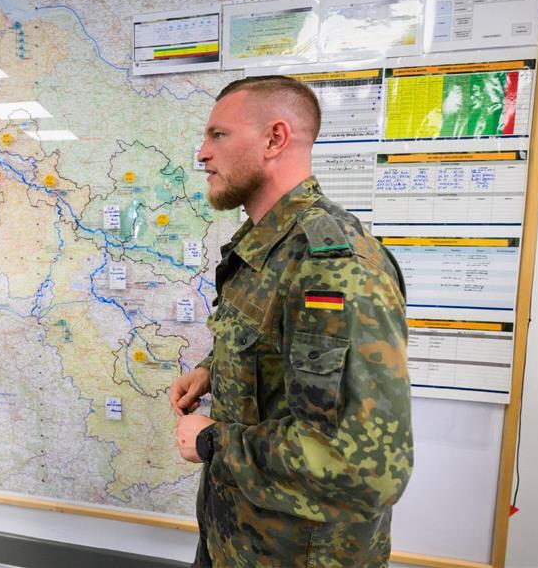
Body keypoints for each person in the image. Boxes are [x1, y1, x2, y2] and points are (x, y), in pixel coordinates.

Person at [170, 76, 412, 567]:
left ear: (274, 139)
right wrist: (212, 370)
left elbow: (365, 466)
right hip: (235, 539)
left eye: (218, 135)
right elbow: (275, 352)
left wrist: (212, 440)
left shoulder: (331, 265)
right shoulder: (265, 245)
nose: (202, 153)